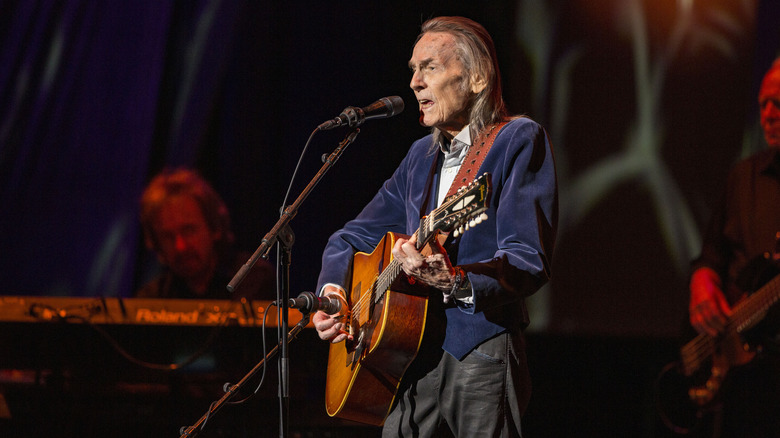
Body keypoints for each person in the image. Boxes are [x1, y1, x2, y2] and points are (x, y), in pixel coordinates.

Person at [313, 16, 557, 437]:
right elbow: (349, 238)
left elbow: (527, 259)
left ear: (477, 78)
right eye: (412, 70)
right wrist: (333, 292)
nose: (414, 83)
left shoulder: (517, 140)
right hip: (408, 355)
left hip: (480, 348)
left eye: (430, 67)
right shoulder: (418, 157)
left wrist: (455, 281)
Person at [688, 57, 780, 437]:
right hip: (745, 379)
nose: (769, 115)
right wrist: (702, 287)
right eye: (763, 104)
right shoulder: (745, 176)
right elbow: (710, 257)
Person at [135, 167, 274, 300]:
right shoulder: (153, 297)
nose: (180, 246)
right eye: (168, 237)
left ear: (214, 227)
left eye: (189, 230)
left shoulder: (252, 278)